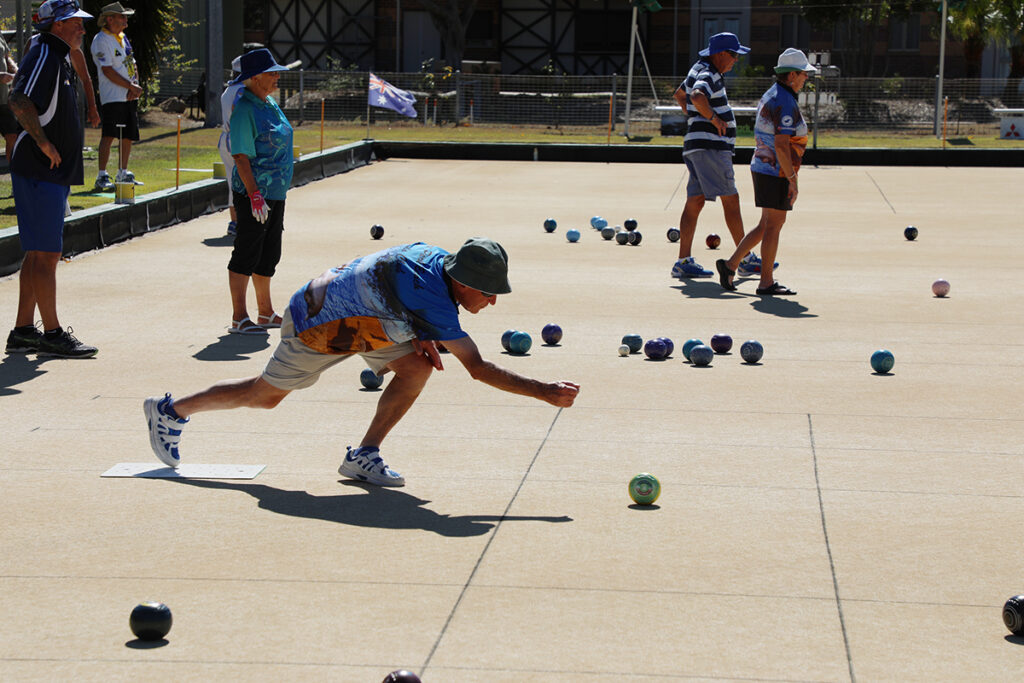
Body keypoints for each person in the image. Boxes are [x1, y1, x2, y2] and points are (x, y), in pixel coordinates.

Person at [144, 238, 581, 486]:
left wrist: (421, 331)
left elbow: (395, 280)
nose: (491, 301)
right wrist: (544, 392)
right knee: (264, 397)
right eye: (488, 293)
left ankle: (364, 455)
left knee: (418, 365)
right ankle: (169, 411)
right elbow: (479, 368)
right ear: (462, 283)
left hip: (370, 319)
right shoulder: (438, 302)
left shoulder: (435, 260)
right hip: (319, 322)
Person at [5, 0, 97, 358]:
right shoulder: (46, 52)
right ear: (57, 25)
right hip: (39, 169)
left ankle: (24, 330)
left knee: (38, 252)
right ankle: (53, 333)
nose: (82, 29)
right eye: (76, 23)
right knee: (48, 254)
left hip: (46, 171)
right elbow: (18, 99)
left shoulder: (56, 54)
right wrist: (43, 142)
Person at [670, 32, 771, 280]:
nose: (736, 60)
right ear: (721, 54)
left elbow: (680, 95)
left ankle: (683, 261)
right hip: (711, 148)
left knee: (695, 201)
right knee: (731, 199)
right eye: (734, 55)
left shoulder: (698, 68)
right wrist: (713, 119)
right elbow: (696, 96)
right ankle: (745, 259)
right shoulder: (710, 73)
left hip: (697, 146)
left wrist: (694, 118)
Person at [716, 48, 817, 296]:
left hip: (766, 168)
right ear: (792, 75)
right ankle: (766, 282)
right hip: (776, 172)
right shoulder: (784, 101)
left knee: (765, 224)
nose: (806, 79)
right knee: (774, 225)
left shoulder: (775, 93)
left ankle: (730, 265)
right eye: (804, 74)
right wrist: (792, 179)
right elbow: (782, 145)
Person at [224, 48, 294, 334]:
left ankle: (265, 312)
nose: (277, 76)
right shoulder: (244, 109)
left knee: (269, 253)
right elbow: (240, 156)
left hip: (275, 192)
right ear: (254, 78)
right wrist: (254, 194)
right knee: (247, 250)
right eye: (272, 72)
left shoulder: (269, 103)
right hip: (255, 193)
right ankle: (239, 316)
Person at [90, 2, 143, 192]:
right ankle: (102, 175)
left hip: (129, 95)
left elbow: (132, 62)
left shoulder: (122, 37)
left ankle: (123, 172)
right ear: (109, 19)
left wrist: (134, 86)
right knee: (110, 134)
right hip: (112, 96)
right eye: (122, 16)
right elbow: (107, 70)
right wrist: (130, 85)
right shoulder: (101, 40)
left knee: (128, 135)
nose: (125, 20)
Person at [218, 43, 264, 237]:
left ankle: (234, 222)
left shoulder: (228, 90)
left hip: (226, 139)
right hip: (241, 140)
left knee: (232, 181)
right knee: (247, 180)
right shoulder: (242, 92)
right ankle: (243, 220)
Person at [0, 24, 20, 158]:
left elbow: (6, 57)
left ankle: (14, 173)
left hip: (3, 98)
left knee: (12, 134)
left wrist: (16, 70)